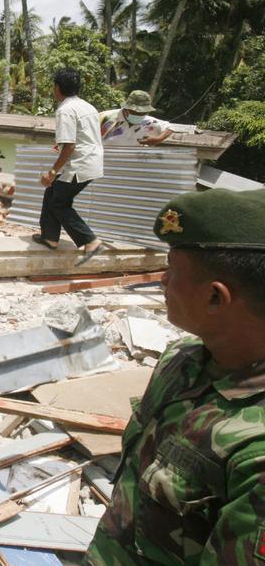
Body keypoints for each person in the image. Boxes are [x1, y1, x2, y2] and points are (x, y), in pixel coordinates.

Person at [85, 188, 265, 565]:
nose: (162, 281)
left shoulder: (255, 451)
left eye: (172, 269)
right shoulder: (182, 360)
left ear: (216, 297)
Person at [34, 68, 105, 264]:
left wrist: (52, 171)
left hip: (79, 164)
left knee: (59, 203)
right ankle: (50, 238)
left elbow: (70, 146)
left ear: (57, 87)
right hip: (91, 161)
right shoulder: (88, 106)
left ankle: (90, 241)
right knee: (52, 193)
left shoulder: (65, 110)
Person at [99, 90, 176, 147]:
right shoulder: (106, 117)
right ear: (127, 108)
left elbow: (170, 127)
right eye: (136, 112)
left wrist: (158, 139)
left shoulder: (148, 121)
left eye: (143, 112)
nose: (140, 115)